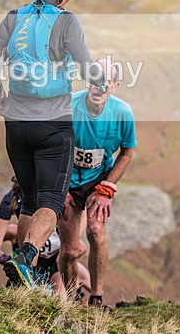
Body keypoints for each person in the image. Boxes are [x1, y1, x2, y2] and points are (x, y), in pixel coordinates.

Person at [0, 0, 105, 288]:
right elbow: (86, 67)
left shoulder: (13, 17)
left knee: (30, 199)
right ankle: (25, 260)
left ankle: (20, 281)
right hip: (52, 124)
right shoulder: (66, 21)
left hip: (16, 124)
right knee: (52, 201)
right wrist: (101, 80)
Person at [58, 58, 136, 309]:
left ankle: (96, 297)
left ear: (115, 85)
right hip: (68, 179)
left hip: (98, 180)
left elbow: (127, 152)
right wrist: (59, 187)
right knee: (69, 251)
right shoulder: (68, 106)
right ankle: (71, 299)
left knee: (95, 231)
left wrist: (106, 188)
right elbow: (52, 146)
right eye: (95, 79)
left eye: (107, 81)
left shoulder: (122, 112)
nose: (100, 86)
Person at [0, 178, 91, 294]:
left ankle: (88, 299)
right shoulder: (13, 200)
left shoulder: (57, 191)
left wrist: (64, 257)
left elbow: (81, 214)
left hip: (52, 265)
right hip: (30, 262)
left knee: (62, 296)